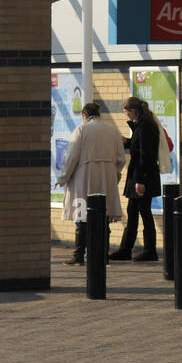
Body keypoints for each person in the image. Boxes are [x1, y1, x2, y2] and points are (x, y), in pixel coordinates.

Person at [57, 102, 126, 265]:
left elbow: (71, 157)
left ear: (84, 115)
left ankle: (79, 255)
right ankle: (103, 255)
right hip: (106, 178)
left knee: (82, 215)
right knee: (104, 216)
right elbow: (121, 159)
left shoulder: (81, 130)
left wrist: (62, 178)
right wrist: (113, 173)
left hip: (84, 177)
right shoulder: (112, 130)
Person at [109, 97, 161, 262]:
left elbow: (145, 155)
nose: (125, 114)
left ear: (134, 111)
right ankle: (126, 249)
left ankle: (149, 250)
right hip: (140, 175)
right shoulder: (143, 125)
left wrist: (140, 181)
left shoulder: (146, 127)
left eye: (126, 111)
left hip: (142, 176)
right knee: (133, 211)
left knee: (144, 212)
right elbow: (138, 146)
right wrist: (127, 142)